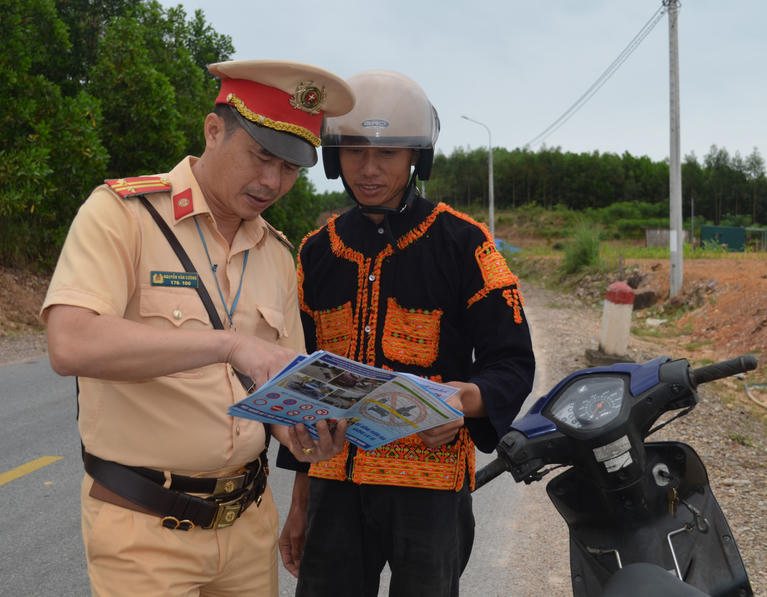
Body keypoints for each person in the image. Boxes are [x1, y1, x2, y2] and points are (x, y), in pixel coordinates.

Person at [40, 59, 355, 597]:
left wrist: (304, 436)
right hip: (144, 530)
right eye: (261, 156)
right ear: (213, 131)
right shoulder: (123, 215)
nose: (272, 182)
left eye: (289, 168)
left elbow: (281, 388)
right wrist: (228, 345)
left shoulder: (276, 254)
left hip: (248, 524)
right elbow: (70, 343)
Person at [276, 70, 536, 596]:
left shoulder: (465, 245)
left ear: (417, 156)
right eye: (354, 152)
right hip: (333, 490)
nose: (369, 169)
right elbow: (302, 387)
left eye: (388, 153)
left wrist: (463, 400)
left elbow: (512, 362)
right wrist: (299, 503)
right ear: (335, 156)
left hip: (431, 494)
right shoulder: (315, 253)